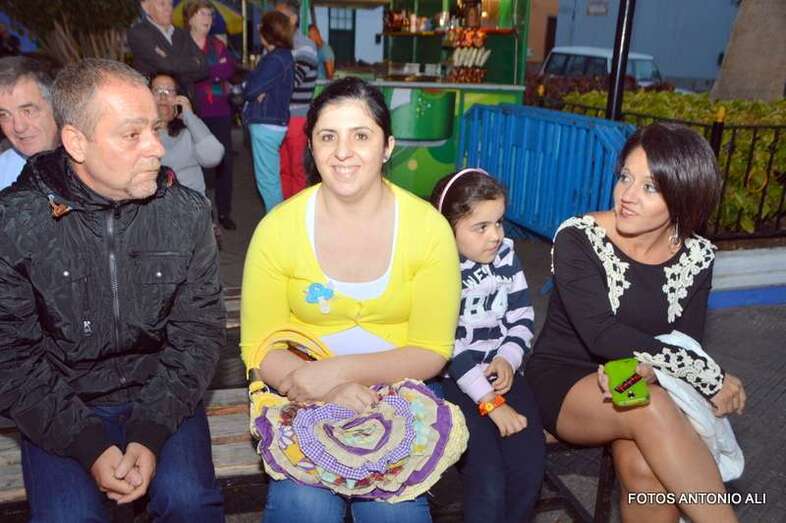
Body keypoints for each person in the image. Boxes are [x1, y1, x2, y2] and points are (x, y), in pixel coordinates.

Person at [0, 58, 225, 521]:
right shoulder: (17, 223)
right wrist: (88, 445)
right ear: (76, 143)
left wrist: (150, 430)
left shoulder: (185, 213)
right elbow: (12, 357)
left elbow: (199, 334)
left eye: (154, 130)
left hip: (162, 392)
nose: (156, 148)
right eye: (132, 134)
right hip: (62, 401)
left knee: (189, 503)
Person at [240, 77, 461, 523]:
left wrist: (340, 372)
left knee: (393, 515)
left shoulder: (428, 230)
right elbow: (259, 347)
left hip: (399, 392)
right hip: (302, 390)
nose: (343, 152)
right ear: (311, 147)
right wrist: (323, 387)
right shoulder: (278, 230)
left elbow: (431, 350)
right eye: (328, 137)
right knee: (303, 507)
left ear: (387, 146)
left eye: (361, 135)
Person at [526, 123, 747, 523]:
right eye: (626, 177)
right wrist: (707, 375)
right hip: (565, 380)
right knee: (651, 406)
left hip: (636, 374)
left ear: (683, 195)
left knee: (648, 472)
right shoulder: (579, 237)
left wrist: (647, 370)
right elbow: (602, 334)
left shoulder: (697, 256)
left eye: (649, 187)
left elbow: (684, 340)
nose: (627, 196)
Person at [429, 168, 545, 523]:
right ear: (447, 228)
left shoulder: (506, 255)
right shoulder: (437, 268)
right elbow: (448, 345)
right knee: (488, 482)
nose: (495, 235)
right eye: (481, 227)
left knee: (528, 470)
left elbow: (522, 316)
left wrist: (508, 357)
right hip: (455, 383)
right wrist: (490, 402)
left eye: (499, 222)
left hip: (502, 374)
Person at [185, 0, 238, 230]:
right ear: (190, 19)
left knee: (224, 162)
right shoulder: (182, 45)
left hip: (220, 111)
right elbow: (182, 72)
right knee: (194, 163)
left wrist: (202, 72)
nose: (208, 19)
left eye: (210, 14)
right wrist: (210, 72)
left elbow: (228, 69)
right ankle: (200, 212)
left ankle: (224, 212)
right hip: (192, 112)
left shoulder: (218, 44)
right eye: (203, 14)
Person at [243, 11, 294, 212]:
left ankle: (276, 226)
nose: (258, 30)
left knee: (268, 183)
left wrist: (254, 88)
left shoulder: (275, 59)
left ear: (268, 33)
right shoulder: (282, 56)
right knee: (271, 180)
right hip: (273, 122)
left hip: (266, 123)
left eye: (262, 27)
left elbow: (250, 89)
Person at [152, 72, 224, 197]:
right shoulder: (138, 135)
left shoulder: (189, 131)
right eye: (157, 90)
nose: (163, 96)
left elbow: (213, 157)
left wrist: (189, 116)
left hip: (189, 204)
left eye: (169, 91)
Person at [275, 0, 318, 199]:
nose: (275, 21)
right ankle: (285, 210)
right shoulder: (282, 46)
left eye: (279, 16)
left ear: (292, 19)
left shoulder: (305, 46)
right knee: (282, 169)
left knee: (298, 170)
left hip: (297, 118)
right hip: (280, 117)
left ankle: (297, 213)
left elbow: (292, 82)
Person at [127, 0, 208, 100]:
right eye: (162, 4)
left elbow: (204, 68)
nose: (168, 9)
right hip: (154, 102)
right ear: (146, 7)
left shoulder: (182, 33)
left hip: (184, 102)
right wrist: (194, 63)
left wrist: (173, 66)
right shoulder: (139, 33)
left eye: (170, 4)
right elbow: (166, 66)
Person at [0, 56, 58, 190]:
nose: (19, 127)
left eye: (28, 111)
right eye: (4, 115)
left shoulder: (94, 163)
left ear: (55, 107)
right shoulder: (3, 173)